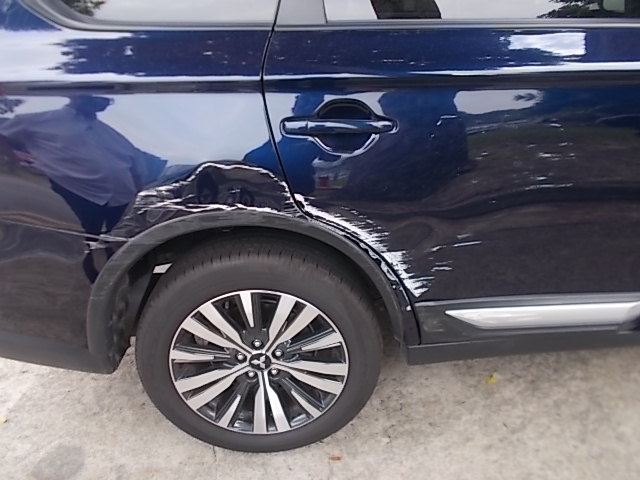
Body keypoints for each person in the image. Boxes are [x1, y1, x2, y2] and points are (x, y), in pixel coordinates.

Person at [0, 95, 156, 281]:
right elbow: (3, 134)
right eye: (98, 98)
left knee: (120, 241)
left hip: (121, 198)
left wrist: (139, 195)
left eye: (106, 101)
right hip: (77, 194)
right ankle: (92, 282)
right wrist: (13, 156)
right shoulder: (41, 120)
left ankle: (124, 280)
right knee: (85, 243)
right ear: (78, 95)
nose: (103, 103)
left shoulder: (110, 133)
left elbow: (136, 166)